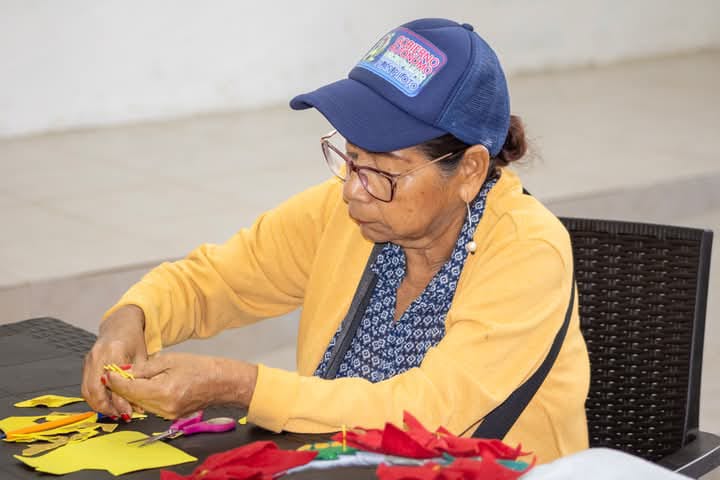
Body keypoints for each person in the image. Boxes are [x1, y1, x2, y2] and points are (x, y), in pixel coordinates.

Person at [82, 18, 590, 463]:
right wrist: (132, 319)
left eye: (383, 171)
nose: (352, 189)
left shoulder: (529, 250)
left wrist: (242, 386)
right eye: (351, 158)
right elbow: (217, 280)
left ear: (470, 170)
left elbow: (429, 412)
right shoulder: (347, 214)